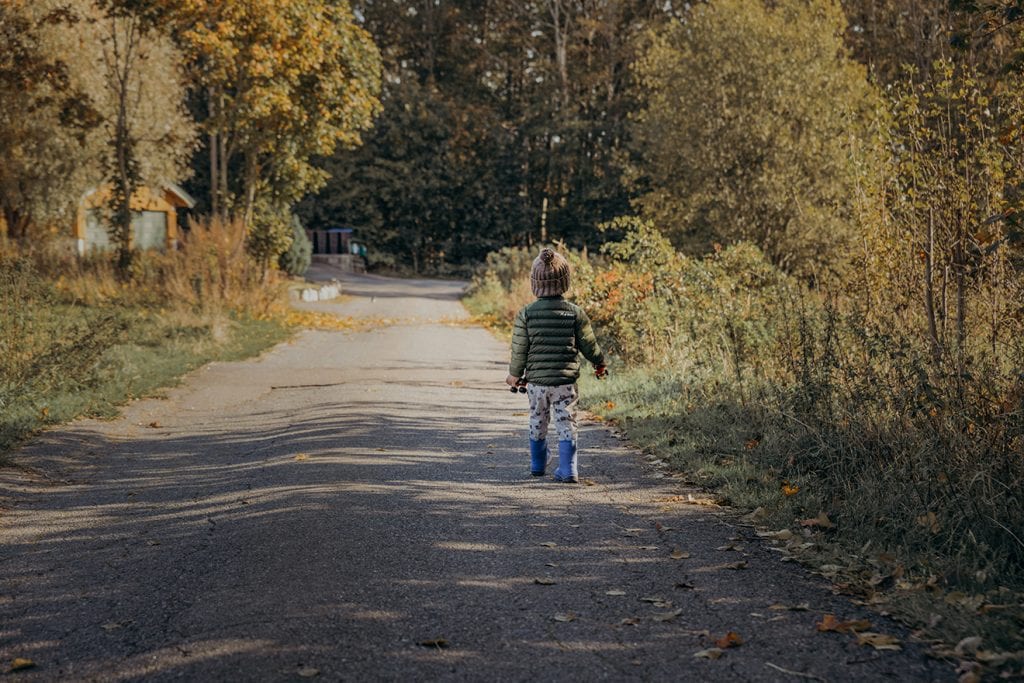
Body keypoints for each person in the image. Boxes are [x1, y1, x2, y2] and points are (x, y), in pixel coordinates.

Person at [506, 247, 607, 483]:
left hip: (538, 383)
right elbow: (589, 345)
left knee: (537, 421)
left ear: (535, 283)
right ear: (565, 281)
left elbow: (520, 349)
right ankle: (568, 469)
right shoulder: (575, 313)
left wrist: (514, 374)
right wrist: (599, 363)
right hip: (565, 383)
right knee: (566, 422)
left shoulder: (526, 314)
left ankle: (537, 465)